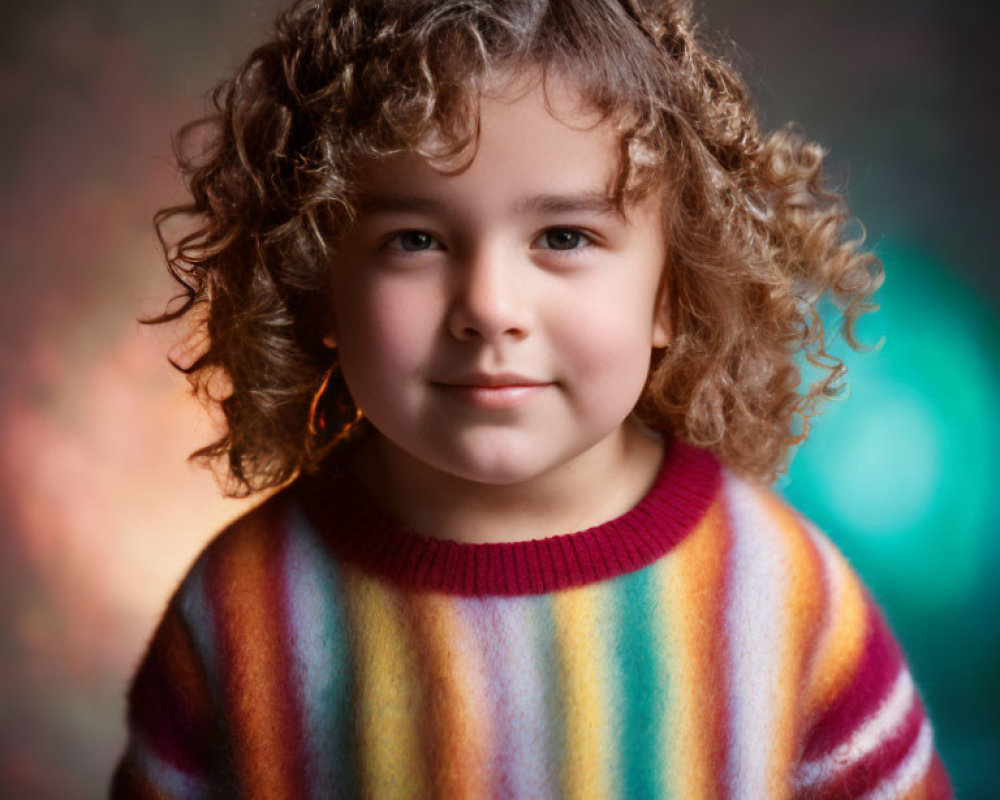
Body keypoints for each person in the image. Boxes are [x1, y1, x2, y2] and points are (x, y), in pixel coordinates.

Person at [110, 1, 953, 797]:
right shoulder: (239, 613)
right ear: (317, 282)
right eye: (415, 240)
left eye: (564, 237)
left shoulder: (784, 598)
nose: (490, 307)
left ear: (673, 292)